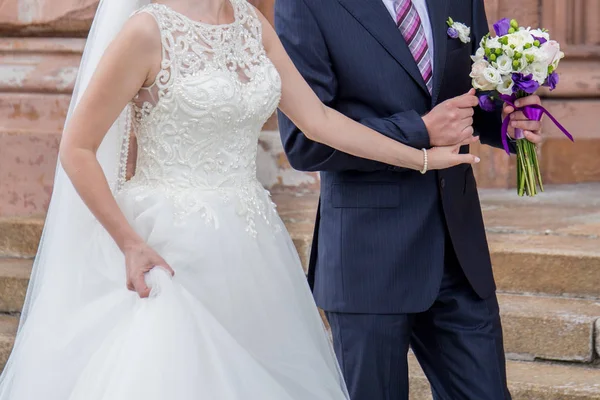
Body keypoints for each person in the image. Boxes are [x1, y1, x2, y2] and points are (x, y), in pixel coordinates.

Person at [0, 0, 477, 398]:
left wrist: (419, 157)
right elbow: (77, 149)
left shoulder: (252, 22)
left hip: (252, 246)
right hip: (169, 245)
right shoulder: (146, 31)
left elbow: (319, 122)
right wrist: (128, 242)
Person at [275, 0, 543, 399]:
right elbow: (304, 143)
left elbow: (476, 96)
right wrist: (418, 131)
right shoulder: (305, 5)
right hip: (368, 260)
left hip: (458, 253)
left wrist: (509, 121)